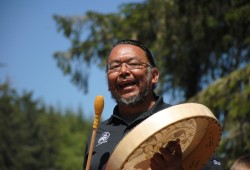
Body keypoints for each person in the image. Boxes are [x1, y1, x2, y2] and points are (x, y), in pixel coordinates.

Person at [83, 39, 223, 170]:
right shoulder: (98, 133)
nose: (123, 71)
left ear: (154, 75)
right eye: (114, 67)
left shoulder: (183, 123)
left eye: (133, 64)